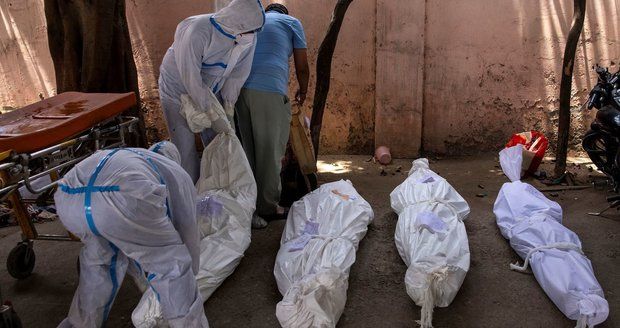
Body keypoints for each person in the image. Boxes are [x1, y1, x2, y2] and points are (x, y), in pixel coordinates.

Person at [55, 142, 208, 328]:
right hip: (123, 196)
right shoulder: (175, 172)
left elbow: (132, 238)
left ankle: (79, 324)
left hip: (69, 198)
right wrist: (189, 270)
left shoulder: (128, 156)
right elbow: (186, 226)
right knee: (171, 267)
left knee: (99, 263)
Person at [158, 0, 265, 182]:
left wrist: (228, 107)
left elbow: (238, 74)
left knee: (220, 143)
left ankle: (216, 191)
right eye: (250, 30)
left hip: (210, 91)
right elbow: (190, 76)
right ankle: (190, 195)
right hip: (177, 89)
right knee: (185, 148)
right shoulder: (198, 31)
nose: (253, 35)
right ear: (238, 23)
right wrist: (210, 112)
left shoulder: (248, 37)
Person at [235, 3, 309, 228]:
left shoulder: (253, 23)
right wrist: (303, 90)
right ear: (284, 13)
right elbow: (302, 66)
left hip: (238, 91)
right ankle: (268, 207)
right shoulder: (292, 22)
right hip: (269, 91)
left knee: (248, 150)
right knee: (269, 151)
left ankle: (248, 203)